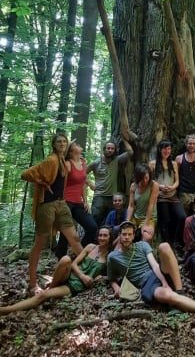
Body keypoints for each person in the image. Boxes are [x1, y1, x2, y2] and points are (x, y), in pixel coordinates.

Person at [108, 221, 195, 320]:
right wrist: (116, 287)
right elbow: (111, 277)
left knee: (164, 246)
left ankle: (179, 291)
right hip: (145, 284)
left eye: (129, 234)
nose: (126, 237)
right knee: (167, 296)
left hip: (158, 274)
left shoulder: (142, 245)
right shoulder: (113, 257)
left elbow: (155, 265)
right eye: (124, 234)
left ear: (133, 236)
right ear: (119, 236)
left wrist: (164, 282)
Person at [21, 132, 83, 295]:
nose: (62, 144)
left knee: (74, 238)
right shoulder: (51, 160)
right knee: (41, 242)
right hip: (47, 205)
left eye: (64, 141)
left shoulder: (62, 159)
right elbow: (26, 174)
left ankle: (85, 273)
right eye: (59, 142)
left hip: (61, 204)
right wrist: (41, 181)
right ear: (54, 145)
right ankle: (33, 284)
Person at [0, 226, 113, 315]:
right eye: (100, 235)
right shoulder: (90, 247)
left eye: (105, 236)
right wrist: (82, 275)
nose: (102, 238)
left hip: (75, 285)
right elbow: (74, 264)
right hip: (70, 274)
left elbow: (110, 275)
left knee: (43, 296)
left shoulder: (110, 256)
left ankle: (5, 310)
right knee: (65, 259)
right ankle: (52, 286)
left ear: (110, 237)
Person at [55, 140, 98, 259]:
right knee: (66, 232)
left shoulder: (83, 163)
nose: (79, 145)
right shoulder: (68, 164)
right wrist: (61, 201)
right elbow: (61, 183)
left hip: (78, 202)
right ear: (71, 151)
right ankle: (61, 258)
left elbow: (82, 183)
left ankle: (80, 253)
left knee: (92, 227)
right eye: (75, 145)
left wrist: (85, 201)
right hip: (66, 202)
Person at [87, 139, 133, 226]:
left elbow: (130, 153)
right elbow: (83, 173)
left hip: (113, 198)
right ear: (104, 149)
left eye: (112, 148)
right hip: (99, 196)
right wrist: (90, 184)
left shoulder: (117, 160)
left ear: (115, 150)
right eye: (108, 148)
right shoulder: (96, 162)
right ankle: (92, 238)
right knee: (95, 219)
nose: (110, 150)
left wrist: (125, 138)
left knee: (109, 222)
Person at [150, 141, 186, 249]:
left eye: (169, 149)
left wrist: (172, 187)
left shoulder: (174, 163)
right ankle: (167, 245)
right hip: (160, 196)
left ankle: (176, 242)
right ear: (160, 150)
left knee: (182, 217)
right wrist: (160, 186)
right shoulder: (153, 163)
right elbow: (150, 180)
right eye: (164, 149)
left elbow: (177, 181)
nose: (167, 151)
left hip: (172, 196)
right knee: (165, 221)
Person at [175, 134, 195, 215]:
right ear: (186, 144)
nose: (191, 145)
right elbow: (175, 177)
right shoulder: (179, 158)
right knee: (183, 217)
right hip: (183, 192)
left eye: (194, 144)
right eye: (190, 143)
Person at [127, 163, 159, 239]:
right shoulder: (133, 186)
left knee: (146, 237)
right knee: (124, 235)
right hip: (136, 217)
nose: (144, 181)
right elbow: (131, 206)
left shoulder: (154, 185)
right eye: (141, 178)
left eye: (146, 178)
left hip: (149, 217)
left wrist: (145, 224)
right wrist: (127, 221)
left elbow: (151, 205)